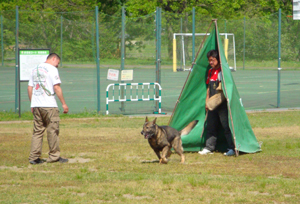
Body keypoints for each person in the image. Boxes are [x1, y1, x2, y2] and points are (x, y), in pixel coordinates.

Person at [27, 53, 69, 164]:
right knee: (53, 131)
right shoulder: (52, 69)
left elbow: (30, 87)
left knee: (37, 132)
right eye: (57, 63)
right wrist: (63, 104)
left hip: (37, 105)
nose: (57, 66)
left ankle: (34, 157)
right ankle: (54, 156)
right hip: (49, 105)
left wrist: (32, 103)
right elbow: (56, 87)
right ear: (53, 58)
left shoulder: (34, 69)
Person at [198, 50, 235, 156]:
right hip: (212, 104)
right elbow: (209, 88)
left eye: (212, 60)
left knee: (226, 126)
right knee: (211, 126)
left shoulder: (222, 72)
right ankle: (209, 148)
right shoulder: (210, 71)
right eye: (209, 60)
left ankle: (231, 148)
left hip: (222, 104)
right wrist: (207, 102)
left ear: (218, 60)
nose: (210, 62)